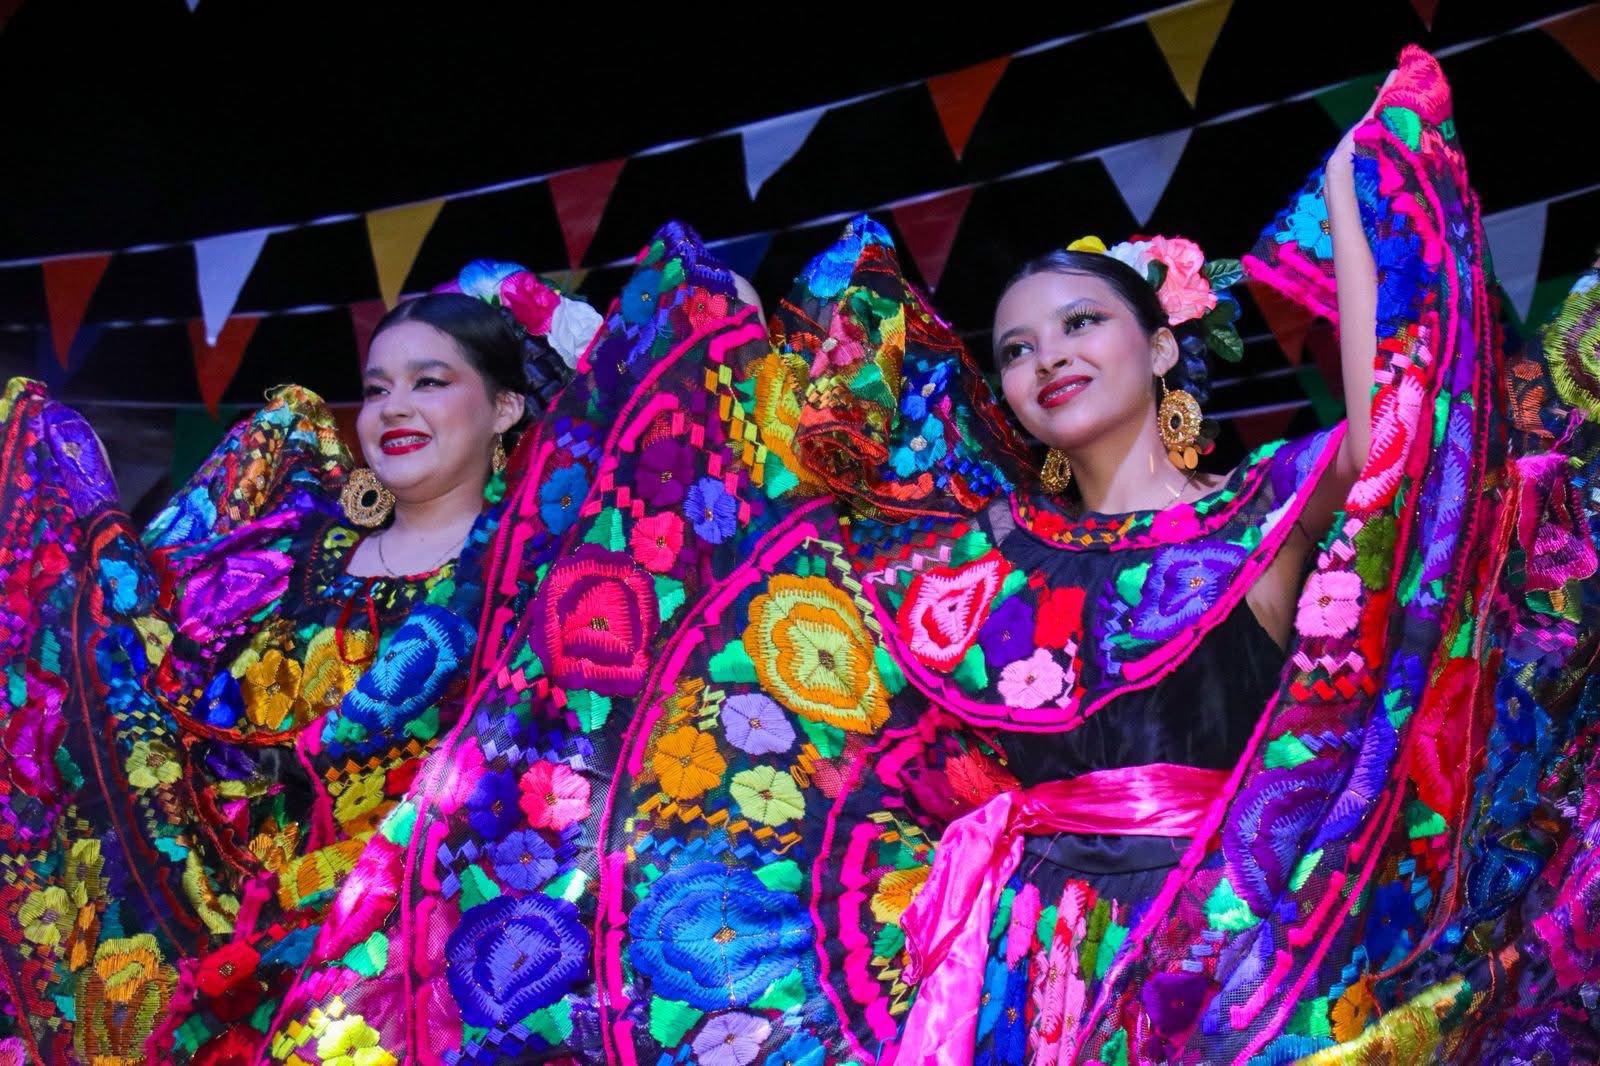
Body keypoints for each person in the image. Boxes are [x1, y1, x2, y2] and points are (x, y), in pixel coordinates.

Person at [264, 47, 1597, 1065]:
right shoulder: (975, 556)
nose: (1046, 359)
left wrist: (1377, 191)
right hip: (997, 958)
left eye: (1080, 322)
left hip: (1229, 946)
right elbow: (752, 572)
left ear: (1166, 343)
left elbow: (1415, 472)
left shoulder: (1268, 509)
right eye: (1014, 347)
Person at [0, 264, 601, 1065]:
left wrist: (535, 305)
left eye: (429, 381)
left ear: (504, 406)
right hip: (234, 952)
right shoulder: (279, 559)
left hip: (424, 966)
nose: (394, 407)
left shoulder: (541, 576)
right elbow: (164, 701)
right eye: (378, 386)